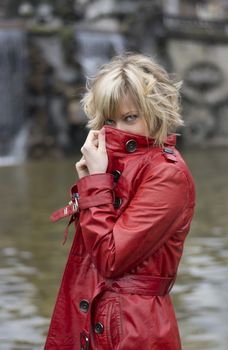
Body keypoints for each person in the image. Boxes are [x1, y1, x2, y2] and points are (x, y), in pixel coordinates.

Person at [45, 53, 195, 350]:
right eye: (109, 120)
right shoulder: (116, 166)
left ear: (156, 113)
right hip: (91, 314)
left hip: (132, 331)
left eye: (130, 118)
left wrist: (94, 184)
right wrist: (93, 180)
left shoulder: (168, 175)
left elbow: (110, 259)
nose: (118, 130)